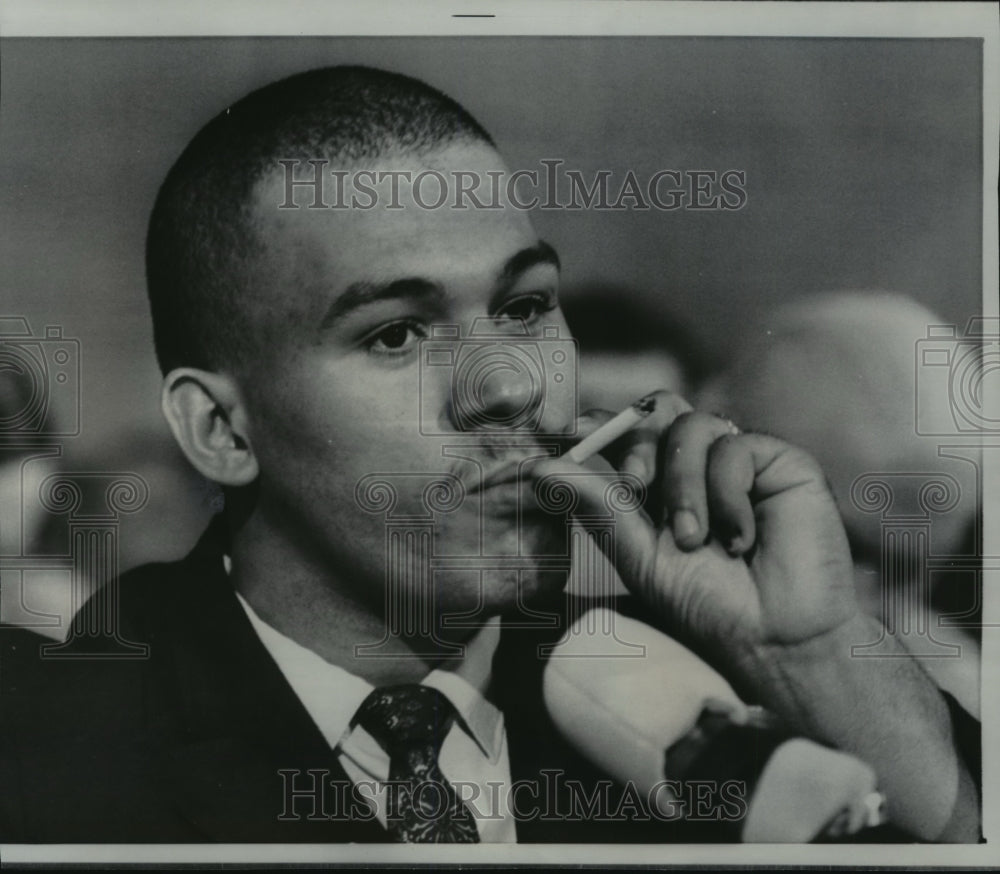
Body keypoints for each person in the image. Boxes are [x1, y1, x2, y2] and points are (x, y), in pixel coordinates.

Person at [0, 66, 980, 844]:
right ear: (220, 429)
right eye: (395, 333)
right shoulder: (48, 757)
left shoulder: (714, 712)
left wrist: (806, 656)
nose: (510, 386)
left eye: (522, 307)